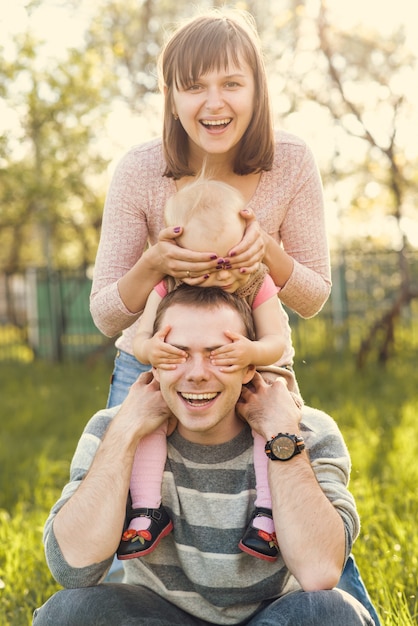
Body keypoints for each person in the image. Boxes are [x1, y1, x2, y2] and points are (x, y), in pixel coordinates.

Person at [89, 8, 380, 623]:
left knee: (289, 493)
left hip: (254, 360)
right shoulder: (141, 171)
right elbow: (105, 312)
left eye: (230, 83)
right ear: (170, 95)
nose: (213, 102)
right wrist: (152, 266)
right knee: (133, 521)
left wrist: (267, 256)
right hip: (159, 358)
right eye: (193, 85)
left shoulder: (289, 163)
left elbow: (313, 295)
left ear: (257, 88)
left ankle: (331, 604)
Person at [33, 286, 374, 626]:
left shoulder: (305, 431)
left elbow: (320, 573)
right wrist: (125, 432)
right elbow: (72, 569)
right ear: (155, 362)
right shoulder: (113, 428)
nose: (196, 374)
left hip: (272, 617)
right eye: (176, 354)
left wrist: (281, 437)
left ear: (249, 369)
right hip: (159, 616)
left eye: (219, 355)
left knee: (332, 614)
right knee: (68, 613)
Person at [119, 177, 289, 562]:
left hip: (255, 372)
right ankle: (146, 509)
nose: (220, 277)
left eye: (229, 262)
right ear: (179, 255)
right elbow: (140, 339)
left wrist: (251, 351)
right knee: (149, 421)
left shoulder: (256, 282)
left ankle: (267, 512)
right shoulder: (166, 285)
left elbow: (277, 342)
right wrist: (154, 349)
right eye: (204, 266)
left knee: (272, 424)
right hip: (180, 370)